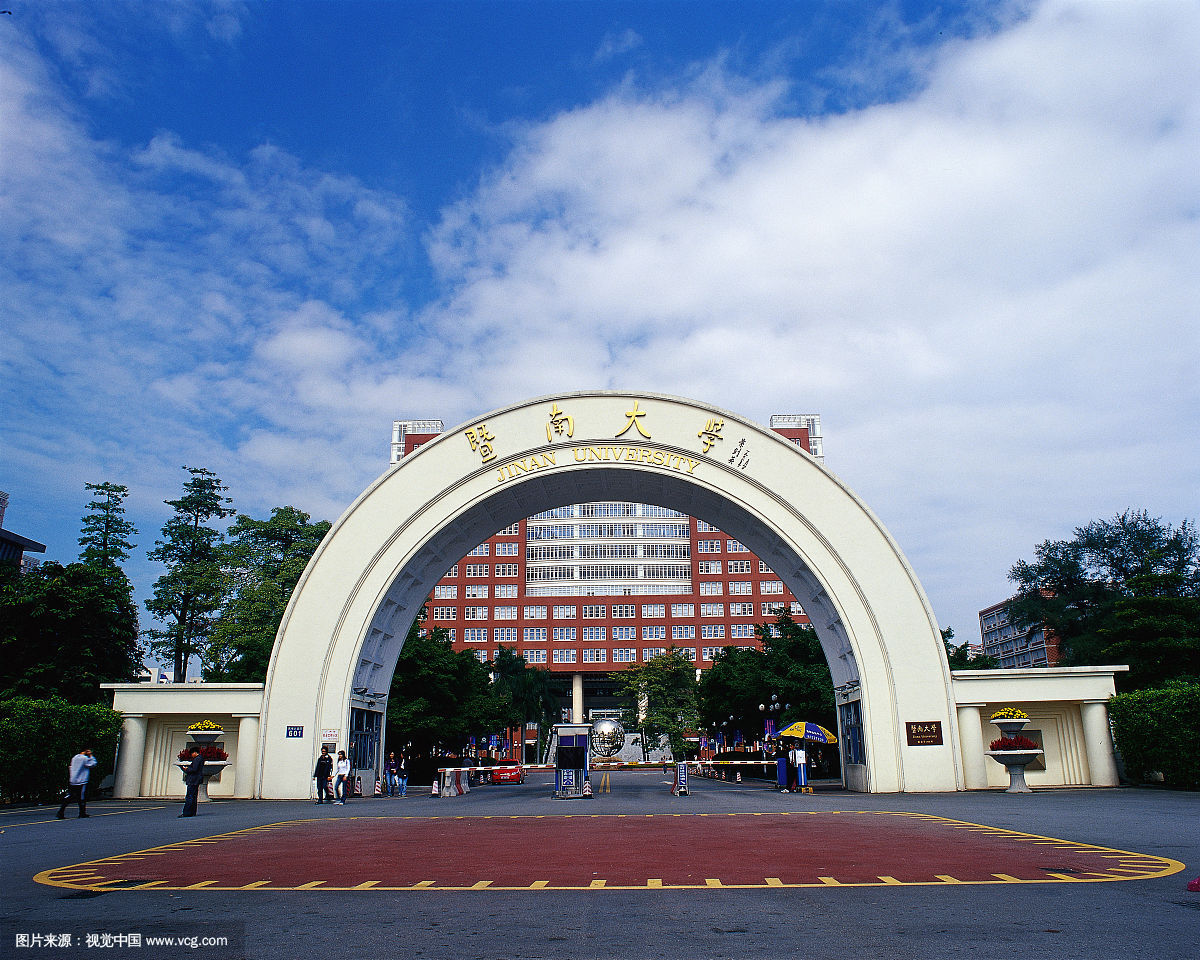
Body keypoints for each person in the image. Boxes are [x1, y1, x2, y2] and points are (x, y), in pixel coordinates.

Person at [56, 748, 98, 819]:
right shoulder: (84, 758)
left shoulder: (74, 757)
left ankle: (61, 811)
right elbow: (93, 764)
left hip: (73, 780)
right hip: (81, 780)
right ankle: (82, 813)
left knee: (70, 796)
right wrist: (91, 756)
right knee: (81, 797)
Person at [178, 748, 204, 818]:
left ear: (195, 752)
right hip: (197, 780)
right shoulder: (201, 758)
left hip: (193, 779)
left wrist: (187, 769)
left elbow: (194, 769)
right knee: (194, 796)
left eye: (192, 754)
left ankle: (187, 812)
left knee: (189, 796)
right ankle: (192, 812)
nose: (192, 755)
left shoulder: (197, 759)